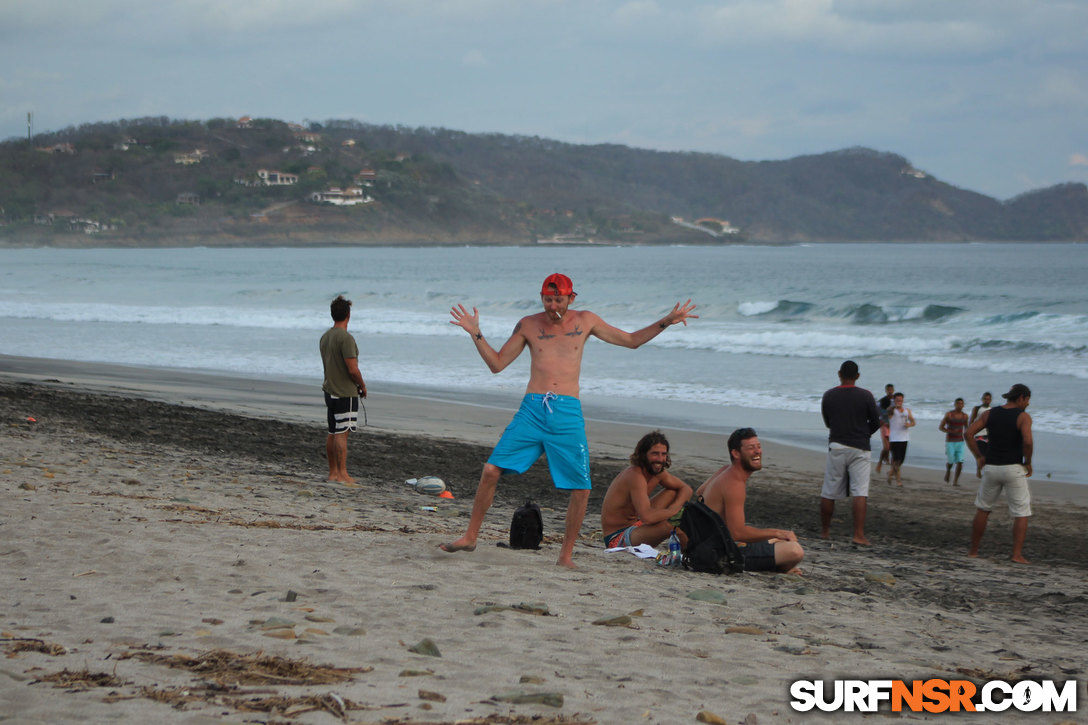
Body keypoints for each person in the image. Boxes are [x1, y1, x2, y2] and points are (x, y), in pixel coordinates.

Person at [440, 273, 698, 568]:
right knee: (490, 469)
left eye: (558, 299)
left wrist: (667, 320)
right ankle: (470, 537)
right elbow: (497, 364)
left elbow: (631, 341)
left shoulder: (585, 321)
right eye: (547, 299)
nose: (552, 306)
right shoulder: (528, 324)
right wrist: (476, 332)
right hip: (533, 408)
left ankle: (565, 556)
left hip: (567, 412)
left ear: (571, 298)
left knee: (582, 487)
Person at [696, 428, 804, 573]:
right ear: (736, 453)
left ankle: (776, 564)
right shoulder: (734, 485)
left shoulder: (725, 470)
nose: (757, 452)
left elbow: (700, 492)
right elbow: (737, 533)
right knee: (794, 550)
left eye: (758, 447)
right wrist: (778, 532)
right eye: (751, 448)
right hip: (719, 555)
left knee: (781, 542)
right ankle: (778, 568)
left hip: (708, 545)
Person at [965, 384, 1033, 564]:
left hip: (991, 466)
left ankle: (973, 551)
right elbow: (1027, 441)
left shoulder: (990, 413)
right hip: (1013, 467)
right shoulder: (1023, 416)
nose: (1027, 404)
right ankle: (1016, 554)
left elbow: (969, 433)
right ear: (1021, 398)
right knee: (1021, 512)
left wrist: (979, 457)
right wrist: (1029, 462)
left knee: (983, 508)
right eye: (1027, 400)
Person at [819, 360, 882, 545]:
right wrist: (864, 433)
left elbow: (828, 422)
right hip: (860, 446)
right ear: (857, 376)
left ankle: (825, 531)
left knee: (829, 490)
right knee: (860, 491)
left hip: (837, 444)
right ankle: (858, 534)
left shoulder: (829, 395)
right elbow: (876, 422)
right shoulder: (866, 395)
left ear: (839, 374)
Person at [600, 431, 693, 549]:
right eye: (655, 454)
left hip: (636, 525)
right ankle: (692, 560)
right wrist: (674, 512)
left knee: (672, 492)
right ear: (643, 454)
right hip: (617, 538)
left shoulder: (657, 473)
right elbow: (648, 517)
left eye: (663, 454)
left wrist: (675, 508)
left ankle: (692, 554)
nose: (660, 459)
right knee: (675, 525)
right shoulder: (635, 476)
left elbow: (686, 489)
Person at [319, 295, 367, 485]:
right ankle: (342, 474)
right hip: (344, 391)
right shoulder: (345, 338)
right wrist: (362, 386)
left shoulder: (325, 337)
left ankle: (333, 473)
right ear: (348, 315)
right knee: (342, 432)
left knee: (332, 431)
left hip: (329, 389)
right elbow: (352, 369)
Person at [886, 392, 915, 486]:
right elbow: (889, 413)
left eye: (900, 400)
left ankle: (890, 473)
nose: (899, 402)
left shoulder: (907, 410)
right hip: (894, 439)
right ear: (894, 401)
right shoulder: (892, 410)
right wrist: (893, 406)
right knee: (896, 460)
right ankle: (898, 481)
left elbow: (913, 421)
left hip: (904, 438)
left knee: (901, 461)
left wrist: (909, 424)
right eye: (897, 400)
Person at [939, 397, 969, 486]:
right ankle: (948, 471)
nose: (960, 405)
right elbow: (941, 427)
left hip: (960, 441)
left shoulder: (965, 416)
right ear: (955, 404)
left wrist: (968, 436)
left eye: (961, 404)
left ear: (963, 405)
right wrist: (950, 431)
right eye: (958, 403)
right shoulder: (949, 415)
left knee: (960, 461)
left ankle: (955, 481)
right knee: (951, 460)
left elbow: (966, 428)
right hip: (950, 441)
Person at [969, 392, 993, 478]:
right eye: (985, 399)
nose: (987, 400)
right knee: (981, 454)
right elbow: (971, 421)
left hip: (988, 435)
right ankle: (979, 470)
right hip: (979, 434)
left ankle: (985, 470)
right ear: (982, 399)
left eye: (988, 399)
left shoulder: (992, 409)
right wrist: (971, 431)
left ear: (990, 400)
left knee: (988, 455)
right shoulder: (977, 408)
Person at [876, 383, 895, 473]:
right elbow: (876, 411)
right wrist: (880, 420)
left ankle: (892, 467)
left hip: (893, 427)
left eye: (891, 390)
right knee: (886, 447)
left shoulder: (895, 401)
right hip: (884, 425)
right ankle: (880, 462)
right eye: (888, 390)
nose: (890, 391)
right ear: (886, 390)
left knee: (892, 447)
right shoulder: (882, 401)